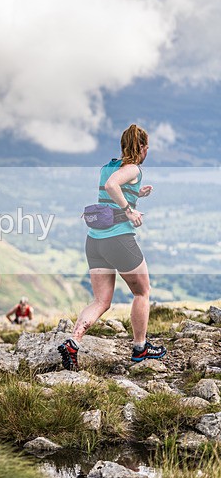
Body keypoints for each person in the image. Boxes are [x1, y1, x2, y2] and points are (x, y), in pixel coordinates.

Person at [58, 124, 166, 371]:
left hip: (95, 241)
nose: (147, 151)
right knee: (142, 291)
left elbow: (112, 187)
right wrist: (130, 210)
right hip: (118, 240)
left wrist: (138, 194)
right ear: (140, 147)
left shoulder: (108, 166)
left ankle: (73, 342)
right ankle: (140, 348)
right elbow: (112, 186)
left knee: (101, 300)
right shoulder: (133, 168)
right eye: (146, 147)